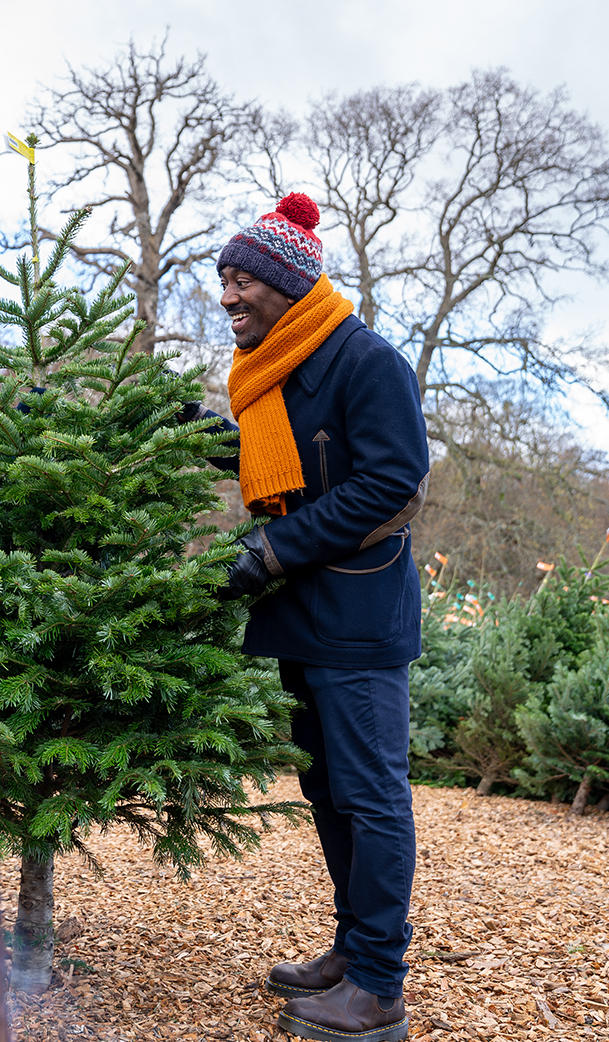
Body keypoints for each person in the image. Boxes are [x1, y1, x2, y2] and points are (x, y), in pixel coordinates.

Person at [194, 193, 428, 1042]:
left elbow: (390, 484)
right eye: (222, 279)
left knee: (372, 797)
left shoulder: (367, 362)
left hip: (359, 619)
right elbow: (284, 464)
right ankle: (353, 949)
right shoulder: (278, 372)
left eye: (242, 279)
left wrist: (270, 551)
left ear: (289, 284)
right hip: (303, 615)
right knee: (328, 790)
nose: (227, 296)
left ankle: (378, 984)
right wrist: (203, 437)